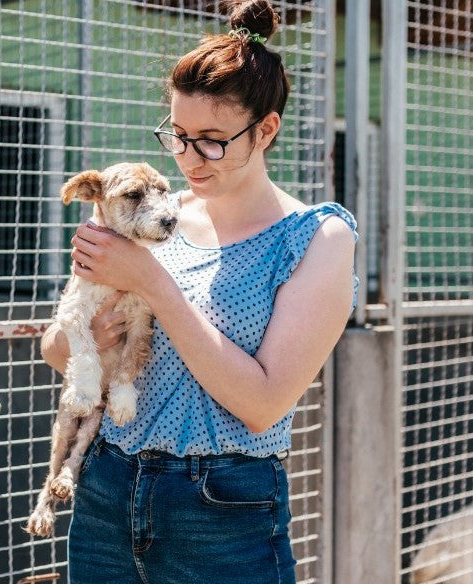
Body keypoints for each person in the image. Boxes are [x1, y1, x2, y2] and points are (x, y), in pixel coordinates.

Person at [39, 1, 359, 582]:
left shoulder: (317, 238)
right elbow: (54, 349)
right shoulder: (145, 215)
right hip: (106, 488)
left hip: (221, 510)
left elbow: (263, 405)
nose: (189, 158)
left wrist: (153, 284)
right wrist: (87, 336)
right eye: (179, 136)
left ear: (266, 130)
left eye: (211, 140)